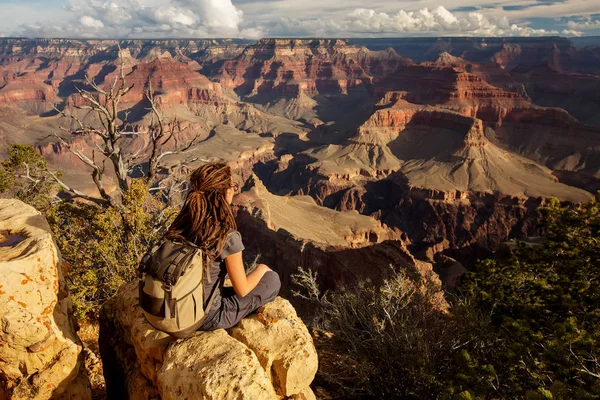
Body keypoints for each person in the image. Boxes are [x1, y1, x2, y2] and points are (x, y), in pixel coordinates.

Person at [165, 161, 281, 331]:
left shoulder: (183, 222)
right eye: (233, 186)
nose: (234, 190)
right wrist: (262, 269)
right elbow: (242, 290)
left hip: (170, 306)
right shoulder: (225, 236)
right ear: (225, 193)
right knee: (272, 280)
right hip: (205, 317)